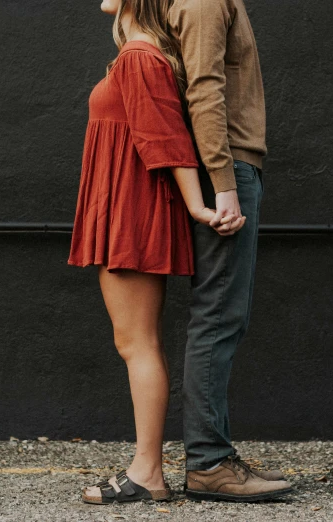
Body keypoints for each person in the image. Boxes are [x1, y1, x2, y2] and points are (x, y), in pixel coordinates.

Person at [67, 0, 244, 505]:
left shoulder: (140, 57)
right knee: (136, 342)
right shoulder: (140, 55)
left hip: (131, 212)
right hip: (125, 208)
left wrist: (196, 206)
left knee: (137, 343)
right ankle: (148, 468)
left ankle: (147, 472)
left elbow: (164, 137)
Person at [168, 0, 295, 501]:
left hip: (232, 167)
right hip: (227, 170)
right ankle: (207, 462)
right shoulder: (201, 1)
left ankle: (212, 455)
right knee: (218, 314)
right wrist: (224, 183)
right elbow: (203, 89)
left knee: (224, 315)